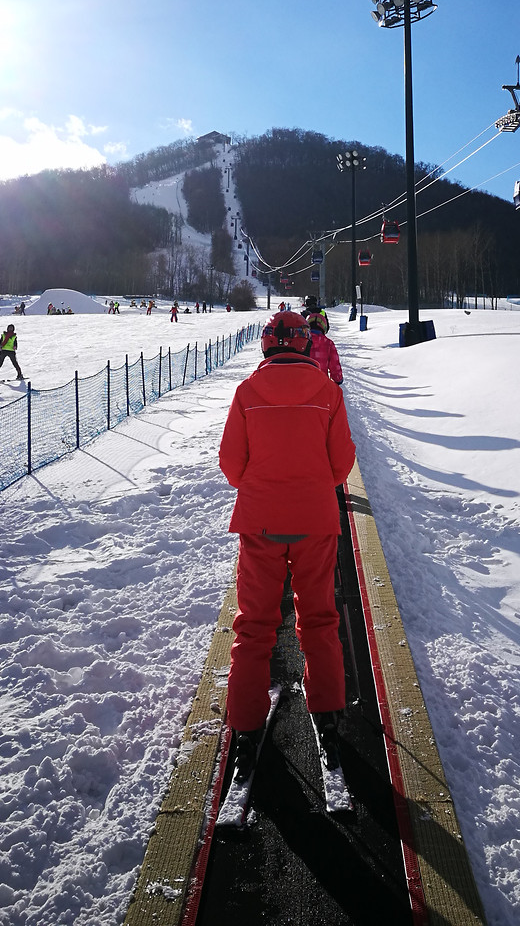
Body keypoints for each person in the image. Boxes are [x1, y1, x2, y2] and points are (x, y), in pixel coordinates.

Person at [218, 311, 356, 786]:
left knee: (254, 624)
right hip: (316, 521)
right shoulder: (327, 393)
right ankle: (330, 715)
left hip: (260, 521)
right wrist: (312, 487)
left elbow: (230, 463)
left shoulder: (246, 393)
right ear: (301, 345)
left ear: (265, 346)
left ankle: (246, 724)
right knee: (319, 618)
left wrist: (261, 489)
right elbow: (342, 465)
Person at [305, 310, 343, 386]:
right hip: (321, 385)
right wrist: (338, 379)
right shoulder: (328, 343)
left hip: (303, 383)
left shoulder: (301, 341)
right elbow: (334, 366)